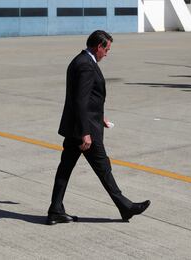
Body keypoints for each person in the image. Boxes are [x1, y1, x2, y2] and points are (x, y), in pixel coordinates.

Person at [47, 30, 150, 225]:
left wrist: (99, 116)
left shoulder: (80, 60)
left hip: (76, 126)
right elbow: (80, 100)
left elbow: (86, 98)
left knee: (65, 168)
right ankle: (125, 206)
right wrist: (85, 132)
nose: (107, 53)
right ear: (98, 47)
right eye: (107, 49)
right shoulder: (86, 65)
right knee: (103, 167)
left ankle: (55, 209)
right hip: (85, 131)